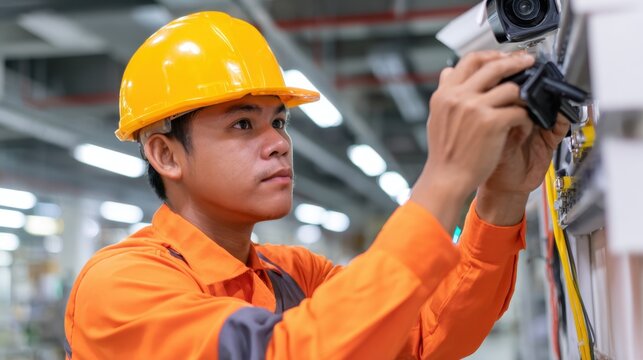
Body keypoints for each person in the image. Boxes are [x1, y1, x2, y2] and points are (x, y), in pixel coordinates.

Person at [63, 11, 568, 359]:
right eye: (243, 125)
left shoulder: (293, 273)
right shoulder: (120, 286)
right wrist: (442, 182)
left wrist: (500, 196)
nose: (278, 143)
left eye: (278, 123)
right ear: (166, 154)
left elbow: (421, 338)